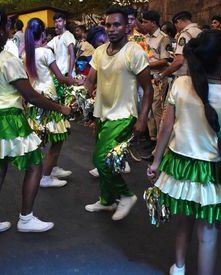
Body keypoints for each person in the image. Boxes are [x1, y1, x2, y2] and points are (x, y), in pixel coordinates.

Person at [0, 8, 71, 238]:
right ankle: (26, 218)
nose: (11, 28)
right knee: (35, 164)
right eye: (8, 24)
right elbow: (32, 96)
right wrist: (60, 107)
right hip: (8, 121)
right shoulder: (5, 59)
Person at [147, 30, 221, 275]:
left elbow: (166, 127)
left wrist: (155, 161)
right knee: (208, 233)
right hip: (213, 168)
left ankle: (179, 268)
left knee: (184, 221)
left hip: (181, 163)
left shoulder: (180, 85)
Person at [84, 7, 153, 221]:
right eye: (108, 25)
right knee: (108, 160)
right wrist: (81, 100)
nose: (112, 29)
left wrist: (142, 118)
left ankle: (126, 195)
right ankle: (107, 201)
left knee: (101, 159)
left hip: (124, 115)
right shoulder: (99, 51)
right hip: (102, 114)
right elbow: (89, 81)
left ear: (127, 26)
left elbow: (148, 88)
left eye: (117, 25)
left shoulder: (135, 52)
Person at [24, 18, 78, 188]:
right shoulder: (46, 52)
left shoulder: (26, 53)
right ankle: (46, 176)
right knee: (58, 138)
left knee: (39, 140)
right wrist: (76, 82)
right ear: (43, 35)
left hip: (35, 99)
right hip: (50, 99)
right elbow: (60, 78)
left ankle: (49, 169)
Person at [141, 10, 171, 160]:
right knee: (148, 112)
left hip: (157, 78)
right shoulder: (144, 38)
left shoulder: (163, 38)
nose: (143, 24)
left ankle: (160, 146)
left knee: (157, 111)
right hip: (145, 77)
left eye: (145, 22)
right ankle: (152, 140)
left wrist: (145, 64)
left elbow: (165, 60)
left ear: (153, 23)